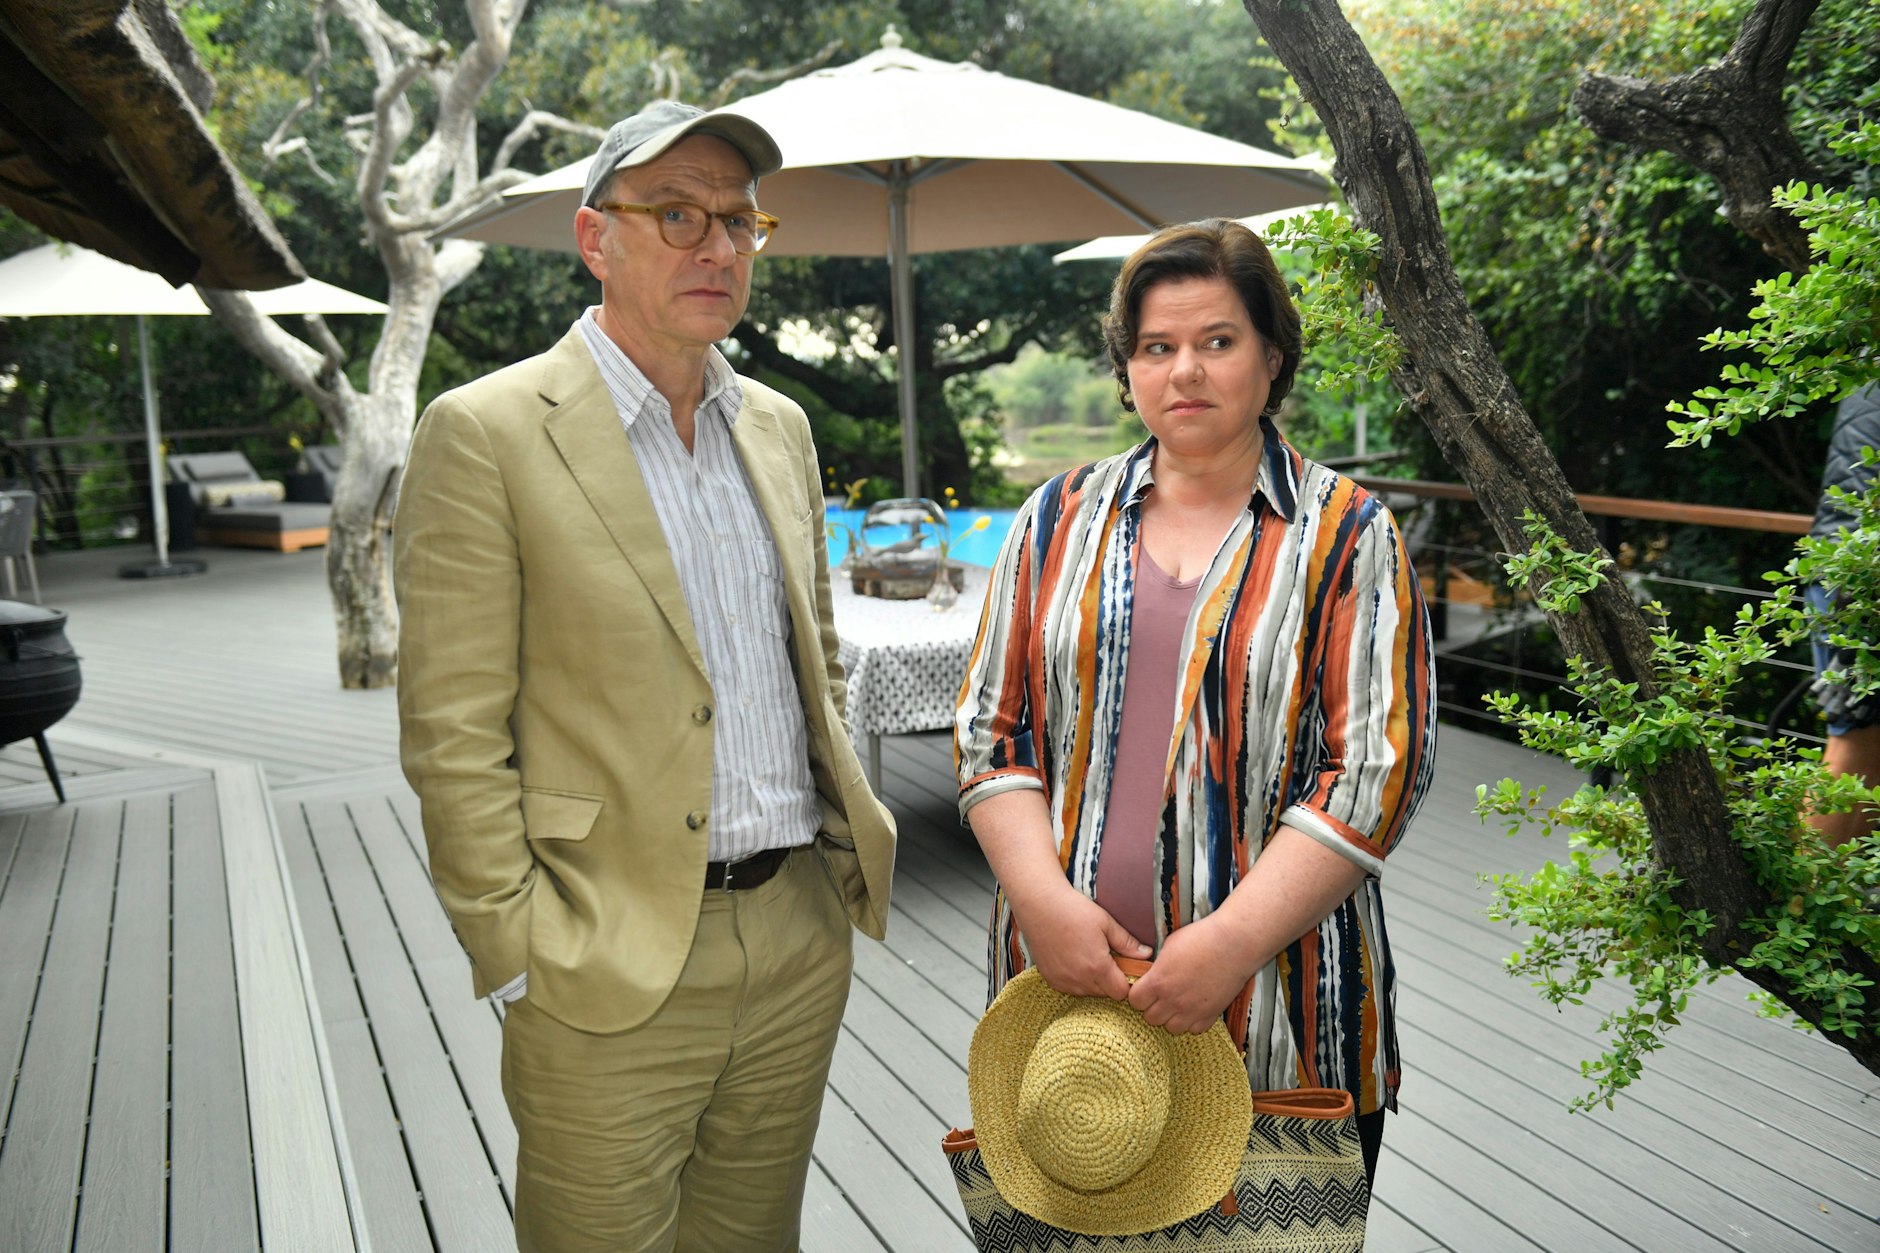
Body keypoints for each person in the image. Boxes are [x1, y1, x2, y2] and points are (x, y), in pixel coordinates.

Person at [394, 100, 896, 1252]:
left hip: (795, 937)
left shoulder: (776, 425)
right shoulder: (485, 431)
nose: (718, 246)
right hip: (599, 955)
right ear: (594, 237)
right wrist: (515, 950)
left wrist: (827, 884)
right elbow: (450, 730)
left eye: (737, 220)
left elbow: (808, 655)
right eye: (677, 214)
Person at [954, 218, 1436, 1187]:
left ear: (1271, 357)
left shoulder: (1347, 534)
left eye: (1216, 341)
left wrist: (1225, 945)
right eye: (1154, 347)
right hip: (1072, 1028)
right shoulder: (1054, 519)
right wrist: (1042, 904)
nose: (1184, 371)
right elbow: (989, 730)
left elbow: (1372, 773)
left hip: (1280, 1016)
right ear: (1126, 367)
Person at [1807, 381, 1880, 845]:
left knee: (1864, 755)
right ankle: (1796, 905)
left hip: (1843, 577)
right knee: (1856, 747)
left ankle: (1836, 902)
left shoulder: (1866, 382)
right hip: (1860, 588)